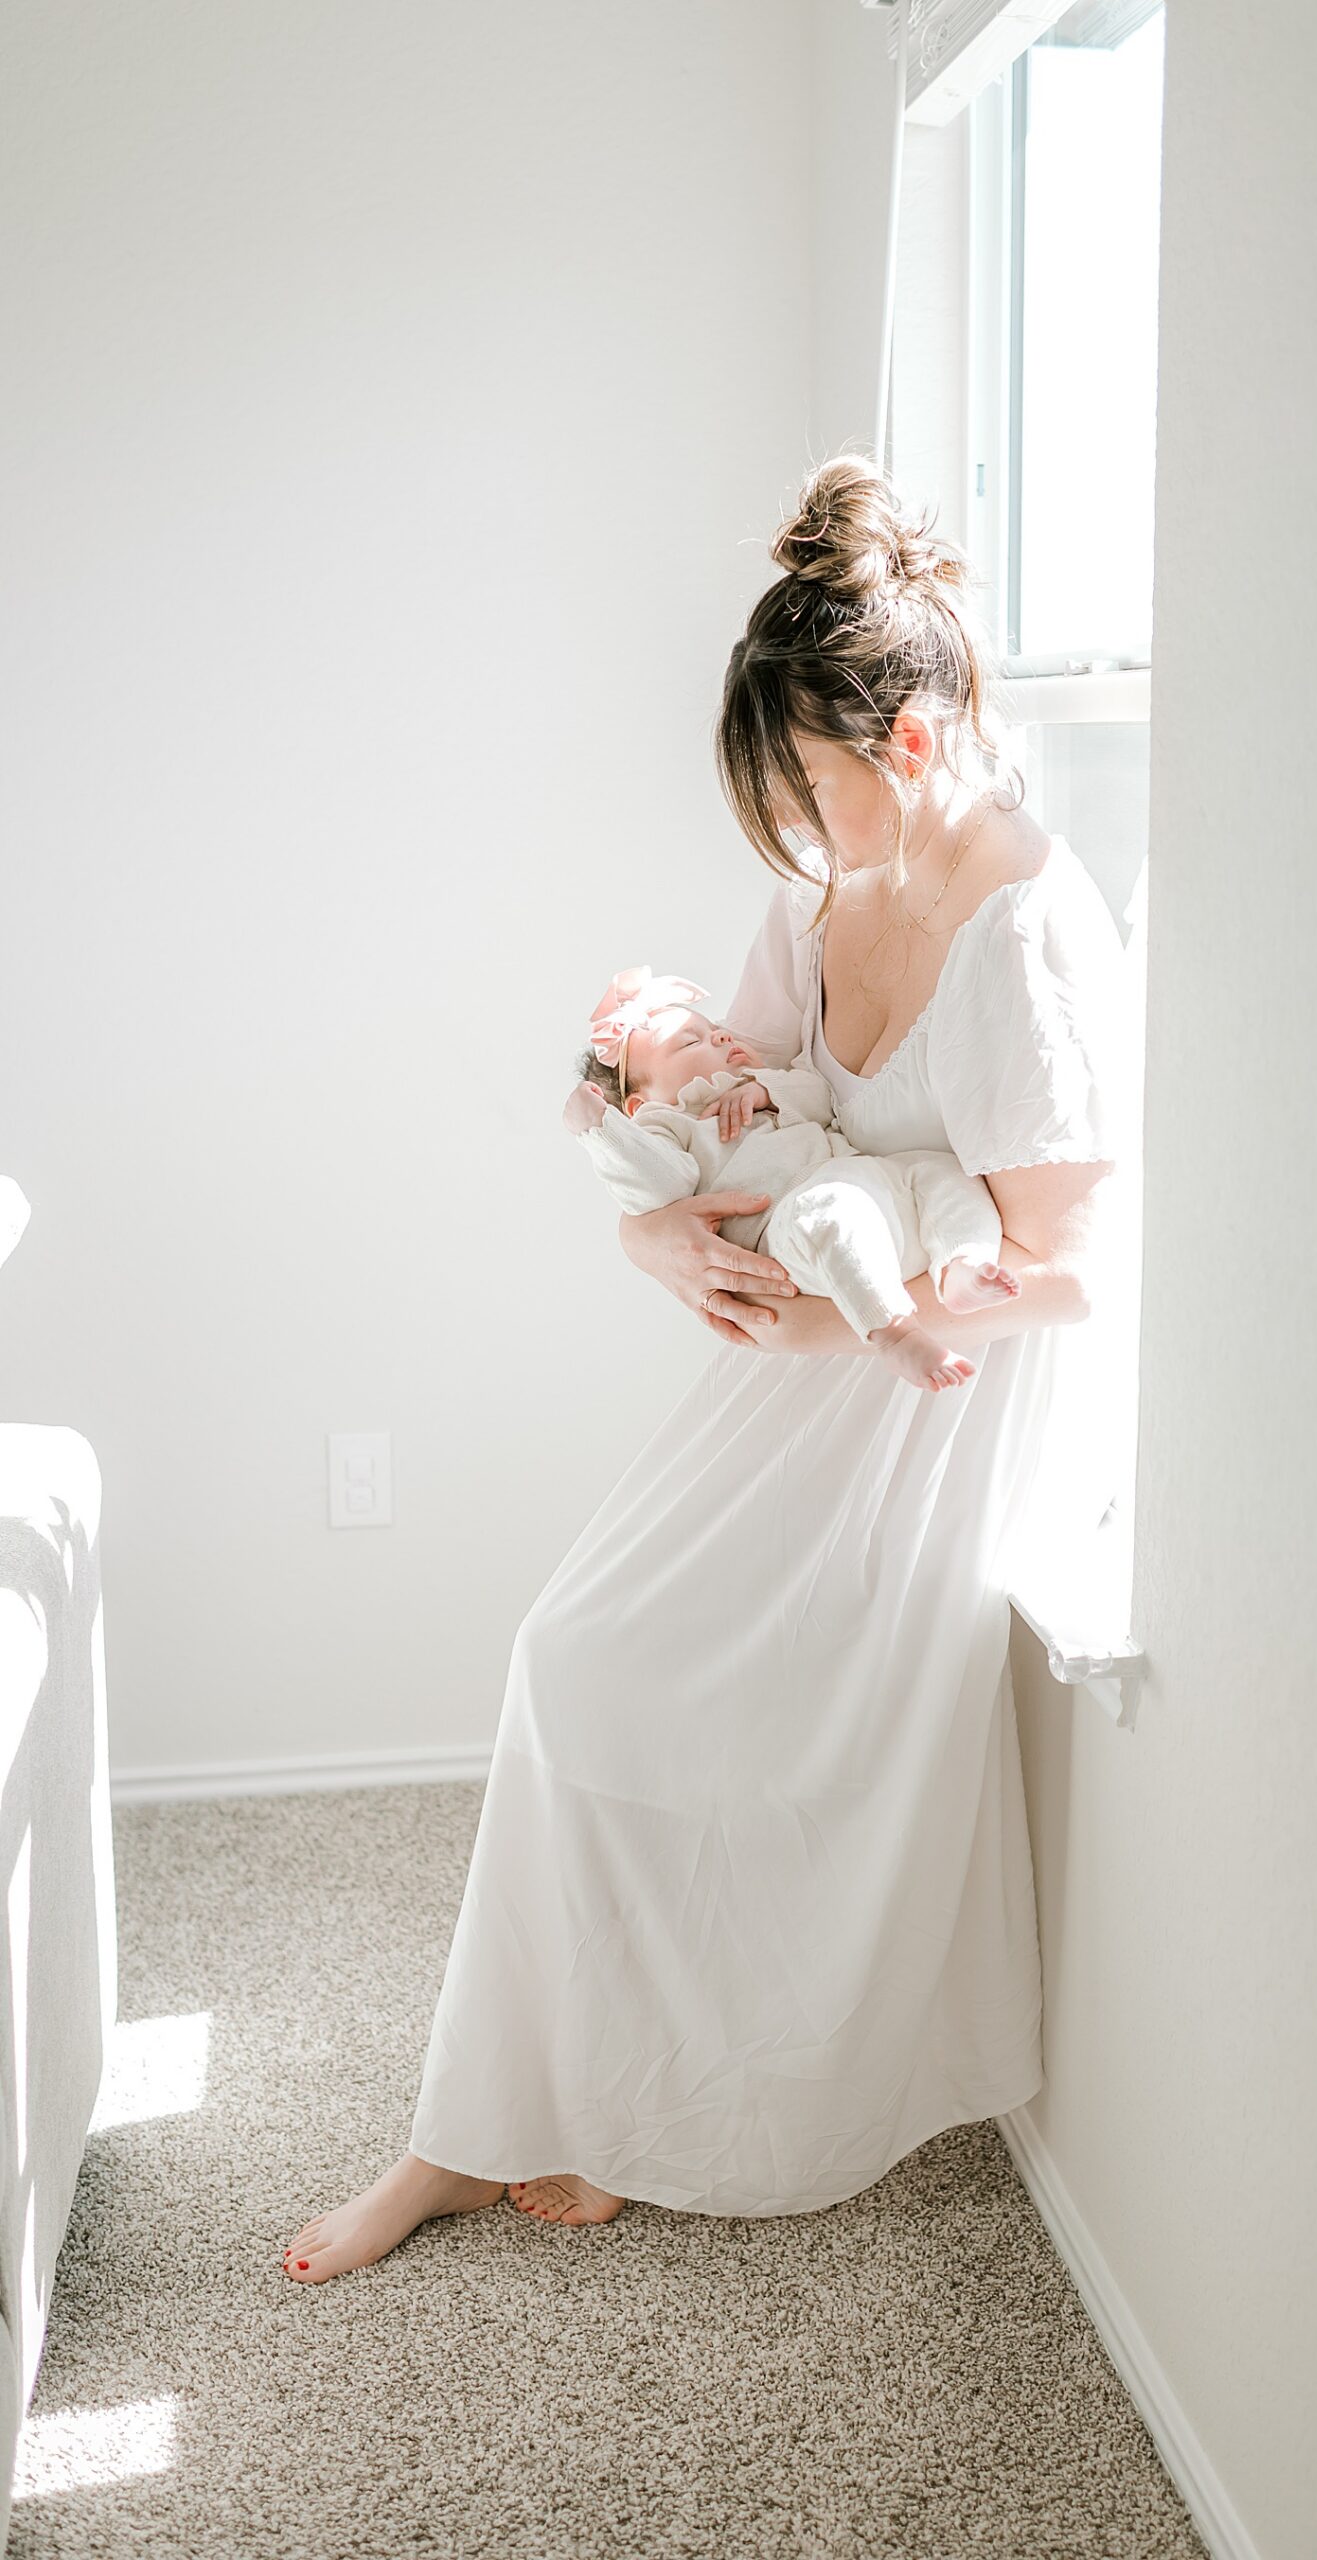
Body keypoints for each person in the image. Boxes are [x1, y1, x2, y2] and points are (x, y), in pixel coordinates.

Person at [281, 455, 1136, 2281]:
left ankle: (563, 2113)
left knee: (638, 1683)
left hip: (932, 1408)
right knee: (577, 1659)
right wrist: (640, 1230)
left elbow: (1071, 1278)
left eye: (812, 791)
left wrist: (854, 1320)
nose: (798, 841)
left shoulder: (1021, 934)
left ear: (910, 741)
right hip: (797, 1376)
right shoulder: (834, 890)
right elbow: (723, 1120)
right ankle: (496, 2116)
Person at [562, 967, 1018, 1390]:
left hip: (874, 1188)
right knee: (828, 1214)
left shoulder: (770, 1082)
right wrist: (601, 1131)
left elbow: (822, 1097)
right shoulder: (670, 1127)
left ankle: (962, 1263)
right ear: (643, 1106)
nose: (719, 1035)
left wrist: (766, 1090)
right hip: (789, 1228)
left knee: (943, 1172)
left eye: (713, 1027)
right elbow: (657, 1187)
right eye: (689, 1043)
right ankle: (894, 1333)